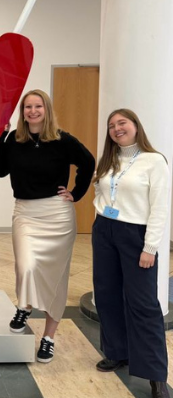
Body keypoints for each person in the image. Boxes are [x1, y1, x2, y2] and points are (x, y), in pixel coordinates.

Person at [0, 89, 94, 363]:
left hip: (57, 215)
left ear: (46, 110)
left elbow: (88, 162)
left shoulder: (62, 139)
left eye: (38, 106)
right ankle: (24, 305)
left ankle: (49, 337)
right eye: (28, 107)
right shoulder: (14, 139)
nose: (33, 111)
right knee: (25, 266)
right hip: (25, 212)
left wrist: (77, 192)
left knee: (56, 278)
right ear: (22, 112)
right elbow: (1, 170)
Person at [92, 109, 169, 398]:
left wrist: (150, 247)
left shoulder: (154, 161)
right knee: (107, 294)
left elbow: (160, 207)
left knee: (143, 304)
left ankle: (155, 374)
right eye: (111, 125)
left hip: (135, 235)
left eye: (122, 123)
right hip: (105, 230)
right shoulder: (110, 159)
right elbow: (103, 191)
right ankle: (117, 352)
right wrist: (100, 210)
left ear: (136, 125)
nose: (116, 128)